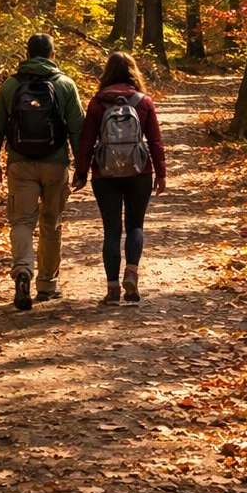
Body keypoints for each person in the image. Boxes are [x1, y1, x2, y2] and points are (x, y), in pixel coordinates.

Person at [0, 33, 85, 311]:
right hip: (55, 165)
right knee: (51, 223)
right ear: (53, 55)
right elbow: (77, 129)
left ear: (27, 54)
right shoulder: (65, 84)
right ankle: (47, 285)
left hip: (19, 165)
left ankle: (23, 270)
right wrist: (82, 166)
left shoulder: (11, 85)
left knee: (21, 222)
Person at [73, 51, 166, 305]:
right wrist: (161, 174)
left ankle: (113, 290)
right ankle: (132, 273)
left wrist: (80, 174)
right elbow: (155, 142)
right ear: (133, 72)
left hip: (105, 173)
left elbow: (86, 142)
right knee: (135, 225)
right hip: (139, 171)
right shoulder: (143, 102)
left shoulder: (97, 103)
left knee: (111, 230)